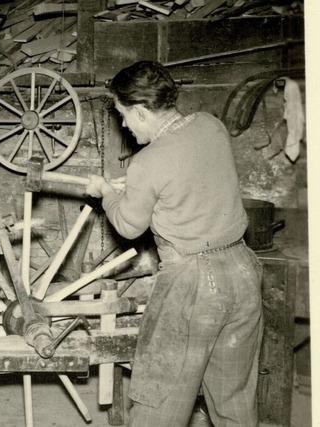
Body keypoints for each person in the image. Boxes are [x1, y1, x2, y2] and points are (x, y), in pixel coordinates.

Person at [85, 61, 263, 426]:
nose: (124, 125)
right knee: (234, 400)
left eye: (123, 115)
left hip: (193, 286)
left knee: (159, 400)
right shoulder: (210, 125)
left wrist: (106, 193)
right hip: (243, 272)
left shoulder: (148, 161)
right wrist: (137, 188)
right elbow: (191, 176)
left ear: (140, 110)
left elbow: (128, 225)